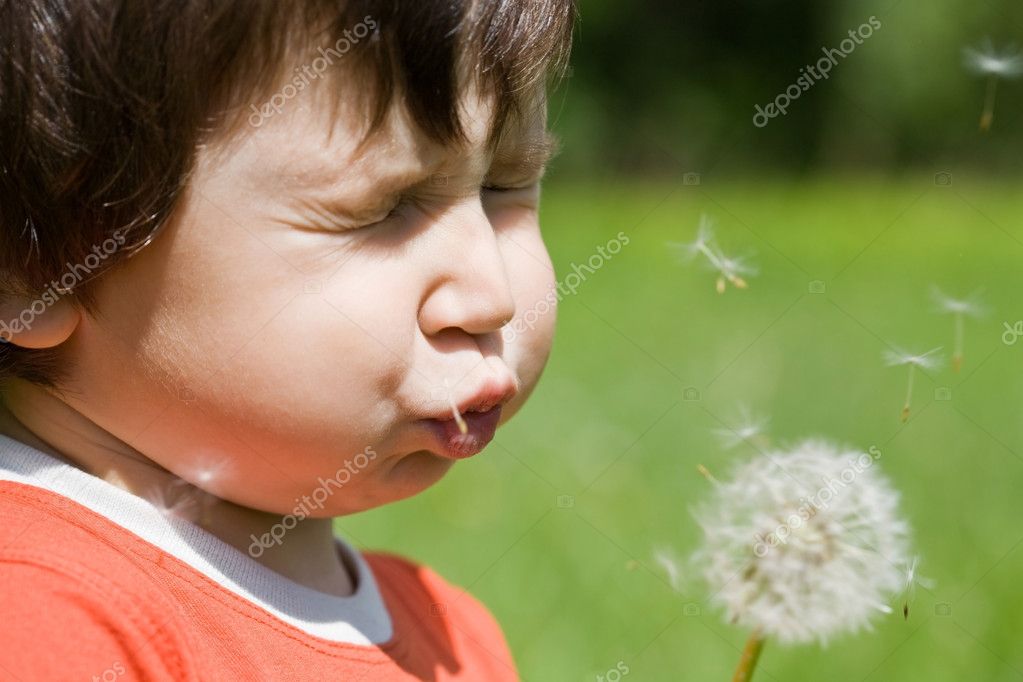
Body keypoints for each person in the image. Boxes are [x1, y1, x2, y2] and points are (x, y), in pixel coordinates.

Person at [0, 1, 575, 678]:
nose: (491, 297)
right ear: (27, 270)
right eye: (380, 211)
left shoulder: (449, 630)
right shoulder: (44, 624)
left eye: (504, 186)